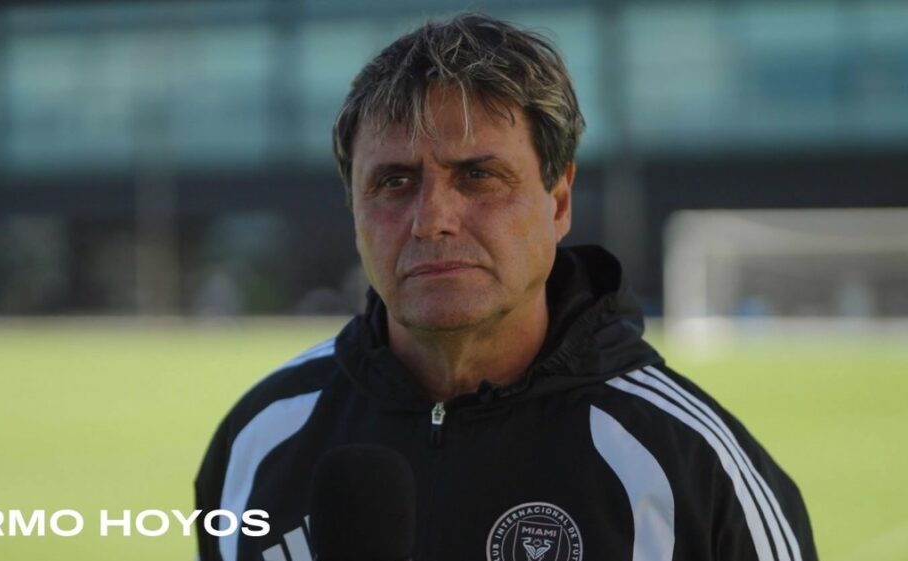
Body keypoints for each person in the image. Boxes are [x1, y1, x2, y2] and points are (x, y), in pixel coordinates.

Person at [196, 13, 817, 561]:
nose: (432, 218)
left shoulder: (689, 462)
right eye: (393, 182)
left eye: (479, 175)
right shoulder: (258, 438)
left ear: (559, 200)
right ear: (353, 209)